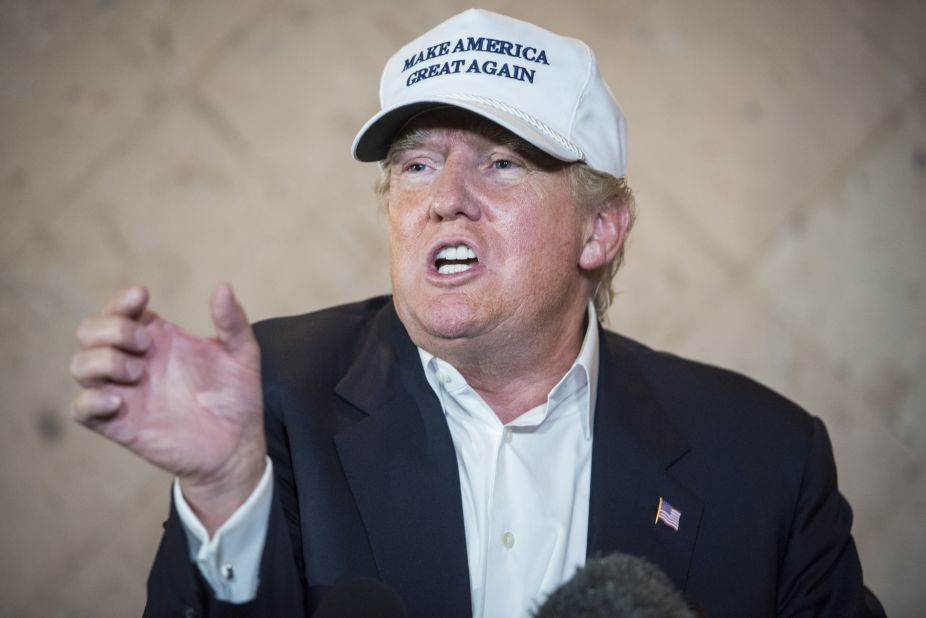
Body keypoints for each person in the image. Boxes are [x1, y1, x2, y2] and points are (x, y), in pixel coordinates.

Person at [69, 9, 885, 618]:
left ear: (599, 228)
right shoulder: (270, 397)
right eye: (417, 164)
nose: (446, 200)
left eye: (501, 163)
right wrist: (221, 491)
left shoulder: (766, 455)